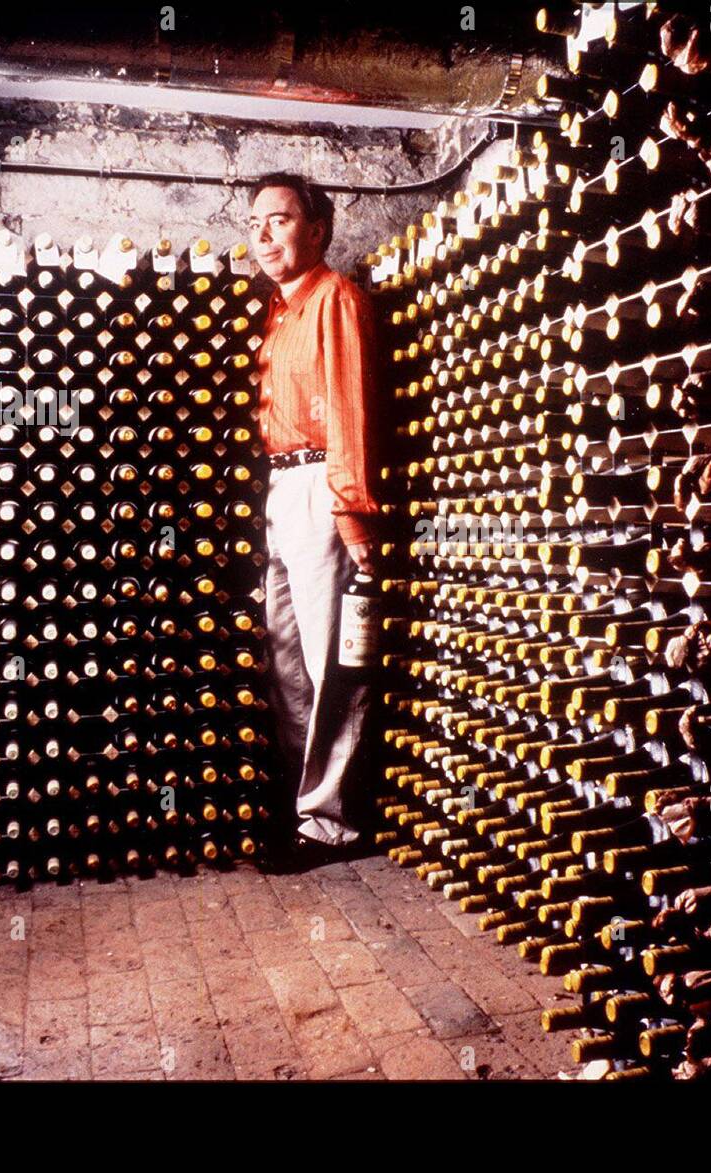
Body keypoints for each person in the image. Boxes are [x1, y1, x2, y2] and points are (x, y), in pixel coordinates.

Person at [247, 171, 381, 868]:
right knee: (290, 661)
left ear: (318, 229)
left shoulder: (336, 300)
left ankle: (330, 823)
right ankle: (308, 803)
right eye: (256, 222)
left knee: (332, 661)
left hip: (322, 488)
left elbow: (350, 412)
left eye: (280, 219)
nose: (264, 234)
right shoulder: (278, 312)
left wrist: (352, 510)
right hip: (282, 488)